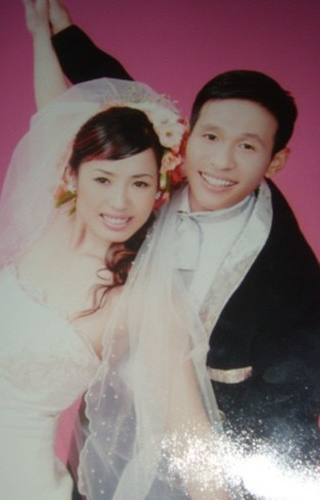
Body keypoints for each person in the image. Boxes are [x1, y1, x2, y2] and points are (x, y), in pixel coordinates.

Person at [0, 1, 228, 499]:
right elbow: (53, 111)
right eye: (104, 179)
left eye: (139, 182)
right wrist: (40, 34)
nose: (120, 202)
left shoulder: (139, 296)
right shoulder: (54, 221)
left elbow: (189, 428)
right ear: (72, 175)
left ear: (158, 187)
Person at [46, 2, 320, 498]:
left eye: (247, 147)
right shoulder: (160, 167)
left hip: (204, 454)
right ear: (188, 135)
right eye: (210, 137)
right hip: (108, 424)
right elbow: (118, 92)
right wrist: (62, 30)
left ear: (276, 160)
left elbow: (292, 399)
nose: (220, 160)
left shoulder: (292, 273)